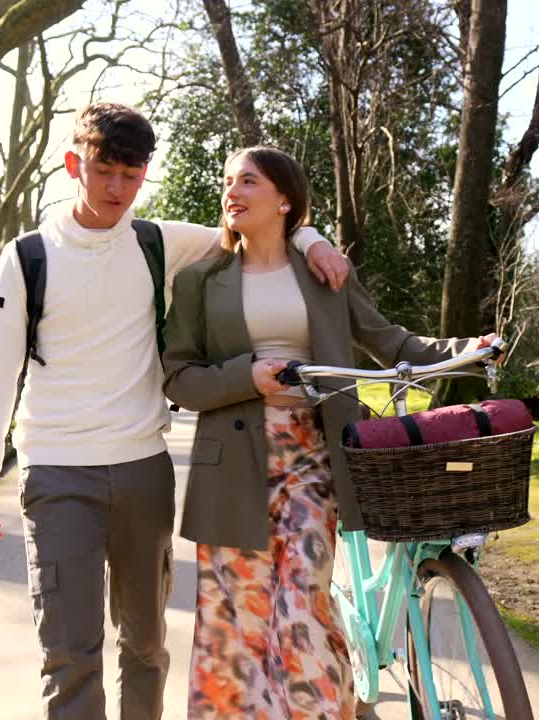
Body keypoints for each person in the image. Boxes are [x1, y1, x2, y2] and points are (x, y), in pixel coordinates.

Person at [0, 105, 349, 720]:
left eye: (130, 175)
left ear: (144, 176)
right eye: (103, 171)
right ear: (73, 167)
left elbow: (254, 229)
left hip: (143, 471)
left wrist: (311, 238)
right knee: (69, 652)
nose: (116, 188)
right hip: (57, 473)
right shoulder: (28, 255)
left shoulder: (157, 242)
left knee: (144, 647)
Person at [161, 145, 497, 719]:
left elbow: (389, 341)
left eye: (248, 181)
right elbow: (178, 378)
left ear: (285, 200)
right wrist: (247, 377)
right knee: (236, 621)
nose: (232, 192)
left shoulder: (324, 272)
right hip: (232, 466)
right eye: (228, 181)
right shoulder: (200, 281)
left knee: (301, 607)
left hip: (312, 456)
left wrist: (467, 351)